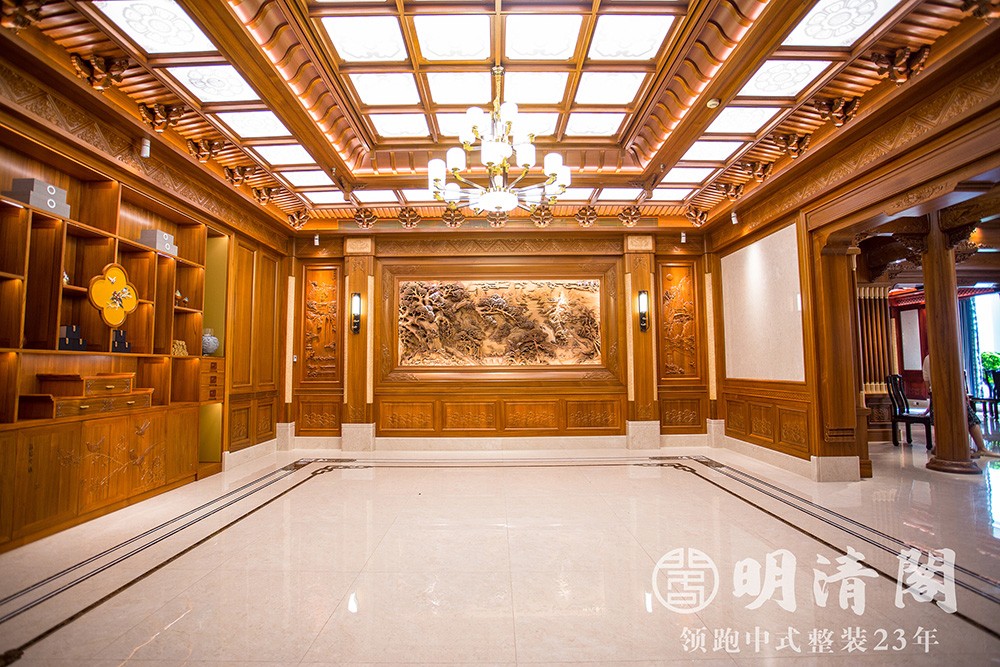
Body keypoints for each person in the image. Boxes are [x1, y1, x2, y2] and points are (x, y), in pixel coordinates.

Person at [923, 354, 1000, 458]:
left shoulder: (928, 359)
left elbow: (927, 381)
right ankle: (981, 448)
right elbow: (958, 374)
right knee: (970, 418)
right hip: (953, 392)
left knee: (941, 422)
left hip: (936, 394)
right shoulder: (950, 354)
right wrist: (963, 392)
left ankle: (944, 447)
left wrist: (932, 397)